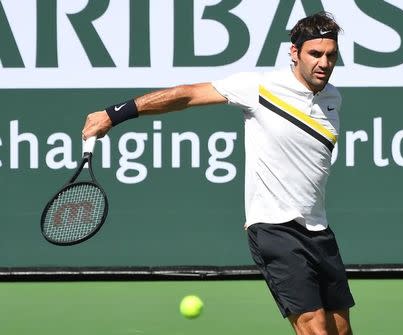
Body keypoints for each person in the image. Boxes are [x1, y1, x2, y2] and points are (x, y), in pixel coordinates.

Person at [82, 11, 354, 335]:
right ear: (294, 53)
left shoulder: (332, 97)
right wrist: (115, 115)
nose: (324, 63)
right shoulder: (260, 88)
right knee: (315, 329)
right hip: (276, 229)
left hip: (318, 229)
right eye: (315, 54)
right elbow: (187, 94)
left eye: (330, 55)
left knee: (340, 328)